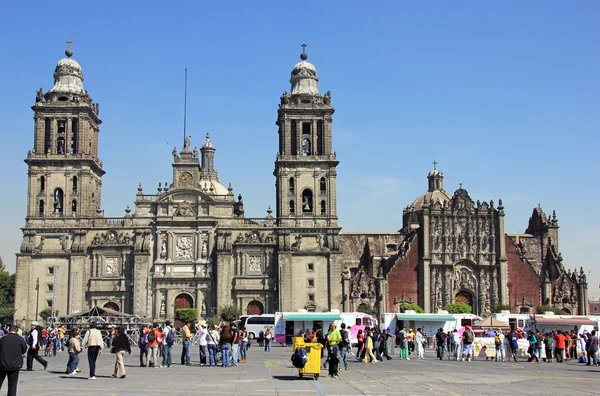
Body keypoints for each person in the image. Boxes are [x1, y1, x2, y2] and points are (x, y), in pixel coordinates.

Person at [0, 326, 28, 396]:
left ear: (9, 331)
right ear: (17, 331)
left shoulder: (3, 339)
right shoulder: (20, 339)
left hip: (2, 363)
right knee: (12, 385)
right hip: (15, 364)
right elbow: (24, 350)